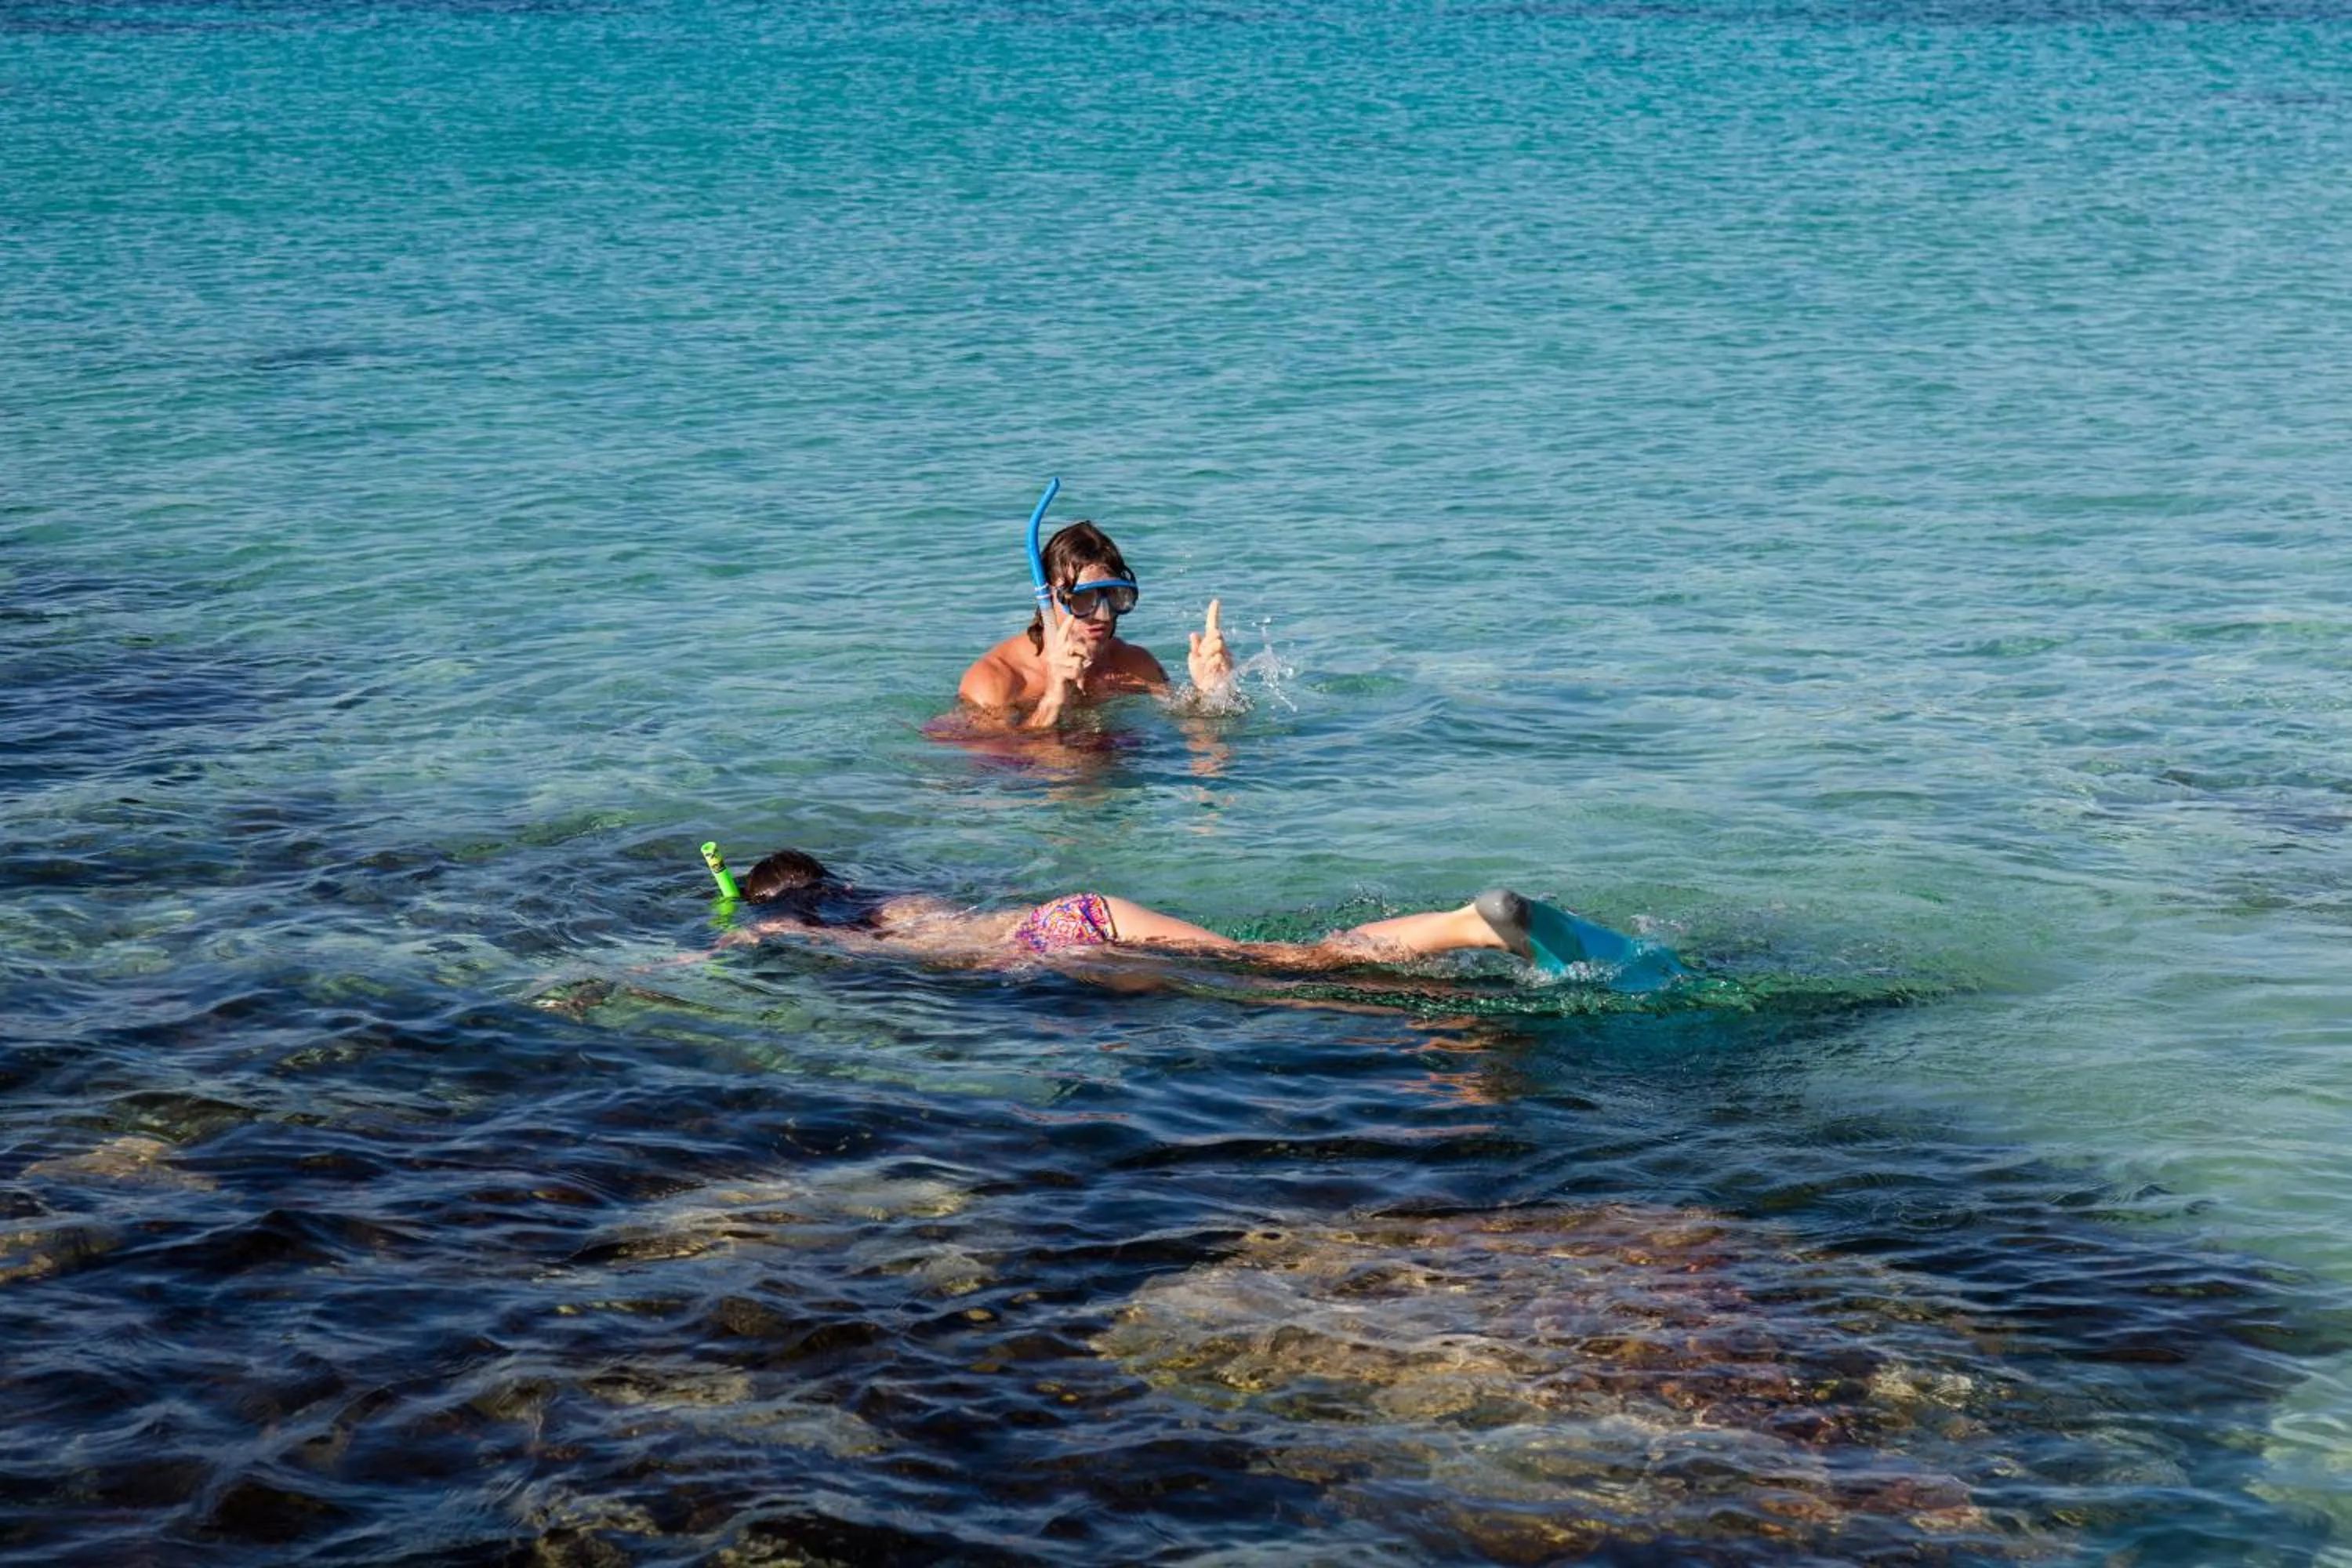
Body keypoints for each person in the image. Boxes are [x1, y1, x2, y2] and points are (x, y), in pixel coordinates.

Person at [724, 849, 1690, 991]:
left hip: (1047, 948)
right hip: (1072, 908)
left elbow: (753, 939)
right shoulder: (889, 897)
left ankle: (1478, 932)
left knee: (1284, 976)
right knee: (1267, 955)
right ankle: (1466, 925)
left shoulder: (811, 925)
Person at [956, 521, 1233, 729]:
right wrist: (1052, 700)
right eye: (1082, 600)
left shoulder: (1133, 664)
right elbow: (994, 769)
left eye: (1114, 597)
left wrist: (1210, 696)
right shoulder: (995, 681)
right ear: (1047, 598)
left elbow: (1194, 740)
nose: (1102, 615)